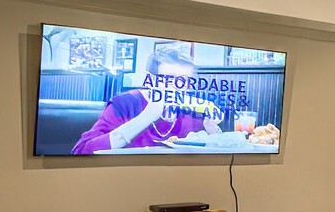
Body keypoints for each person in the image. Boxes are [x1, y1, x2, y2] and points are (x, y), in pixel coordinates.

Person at [70, 47, 222, 154]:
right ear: (150, 79)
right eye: (170, 78)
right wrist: (146, 117)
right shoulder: (123, 104)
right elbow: (81, 151)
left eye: (185, 80)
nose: (178, 86)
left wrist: (213, 131)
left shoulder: (191, 112)